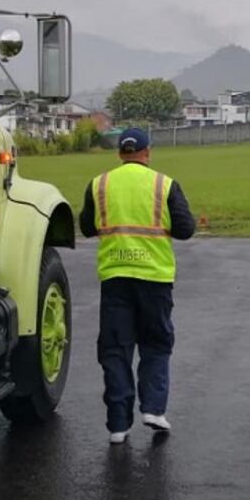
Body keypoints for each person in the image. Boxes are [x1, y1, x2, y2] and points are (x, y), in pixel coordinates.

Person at [78, 127, 195, 444]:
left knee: (115, 350)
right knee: (156, 344)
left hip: (115, 277)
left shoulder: (99, 184)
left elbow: (87, 227)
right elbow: (186, 229)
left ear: (120, 153)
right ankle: (154, 409)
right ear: (147, 152)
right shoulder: (164, 184)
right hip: (154, 278)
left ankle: (118, 425)